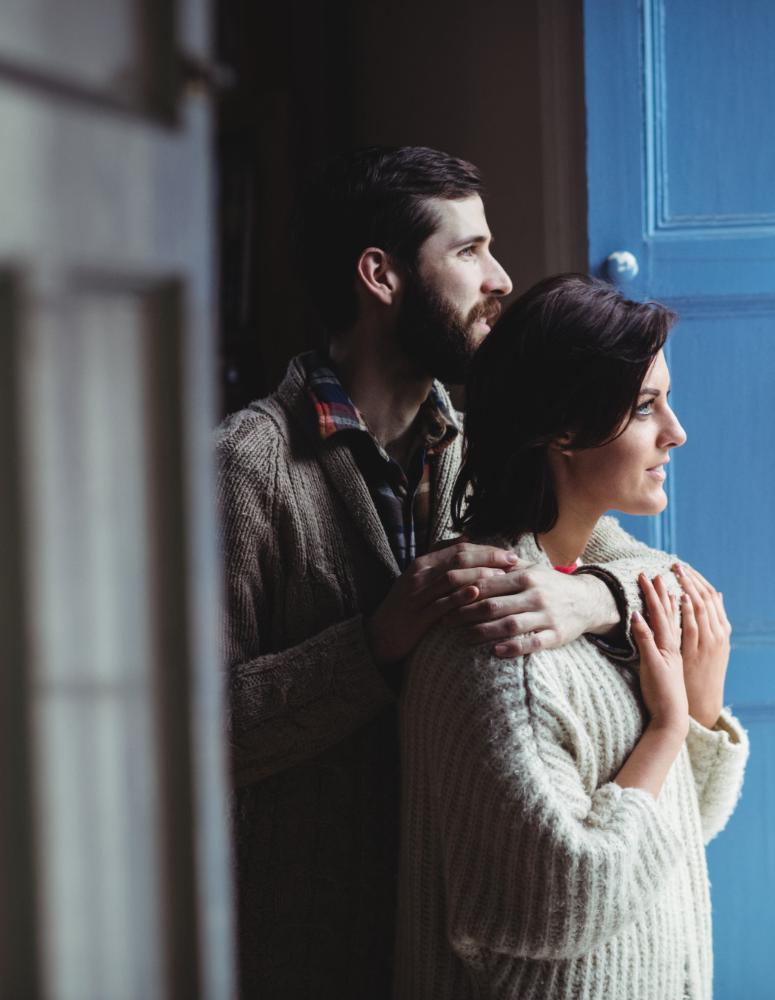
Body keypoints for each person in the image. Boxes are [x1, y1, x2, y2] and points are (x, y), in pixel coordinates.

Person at [216, 148, 685, 998]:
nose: (500, 278)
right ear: (380, 276)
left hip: (448, 936)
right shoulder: (244, 470)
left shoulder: (476, 444)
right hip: (305, 949)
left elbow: (660, 573)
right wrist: (374, 645)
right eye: (468, 252)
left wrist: (589, 593)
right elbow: (187, 739)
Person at [394, 274, 748, 1000]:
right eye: (646, 406)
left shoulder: (593, 592)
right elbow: (567, 896)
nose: (675, 431)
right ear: (563, 428)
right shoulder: (501, 646)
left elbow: (676, 832)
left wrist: (700, 716)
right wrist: (669, 729)